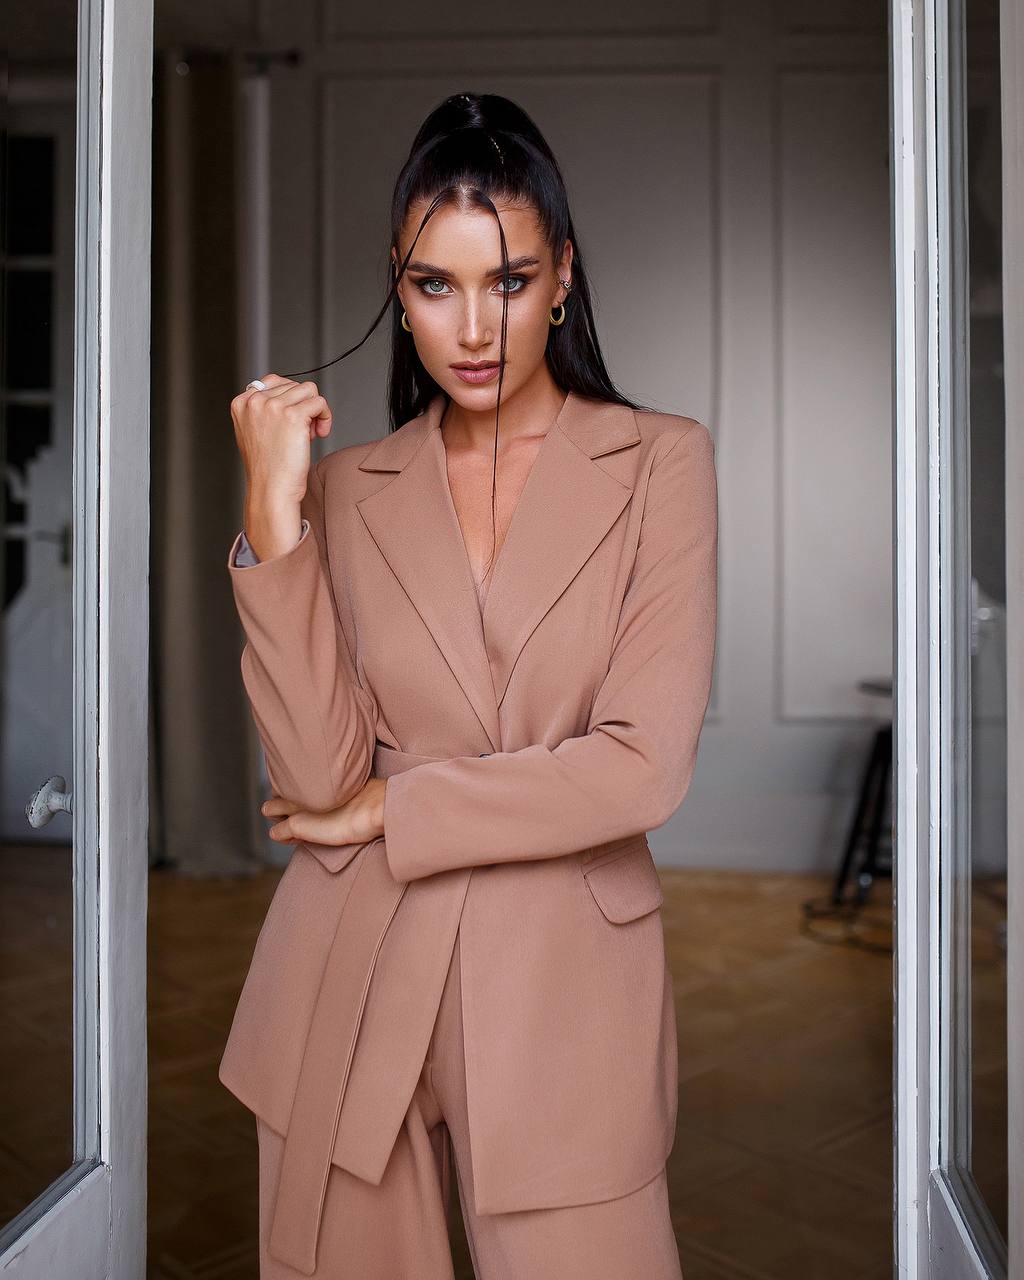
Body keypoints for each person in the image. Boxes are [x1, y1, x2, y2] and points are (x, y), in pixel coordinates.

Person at [221, 90, 718, 1279]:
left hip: (564, 985)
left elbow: (641, 763)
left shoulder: (661, 463)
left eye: (508, 279)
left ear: (561, 279)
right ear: (397, 291)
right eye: (435, 285)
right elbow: (316, 778)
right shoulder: (348, 491)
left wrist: (396, 806)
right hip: (349, 977)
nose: (473, 325)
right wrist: (270, 519)